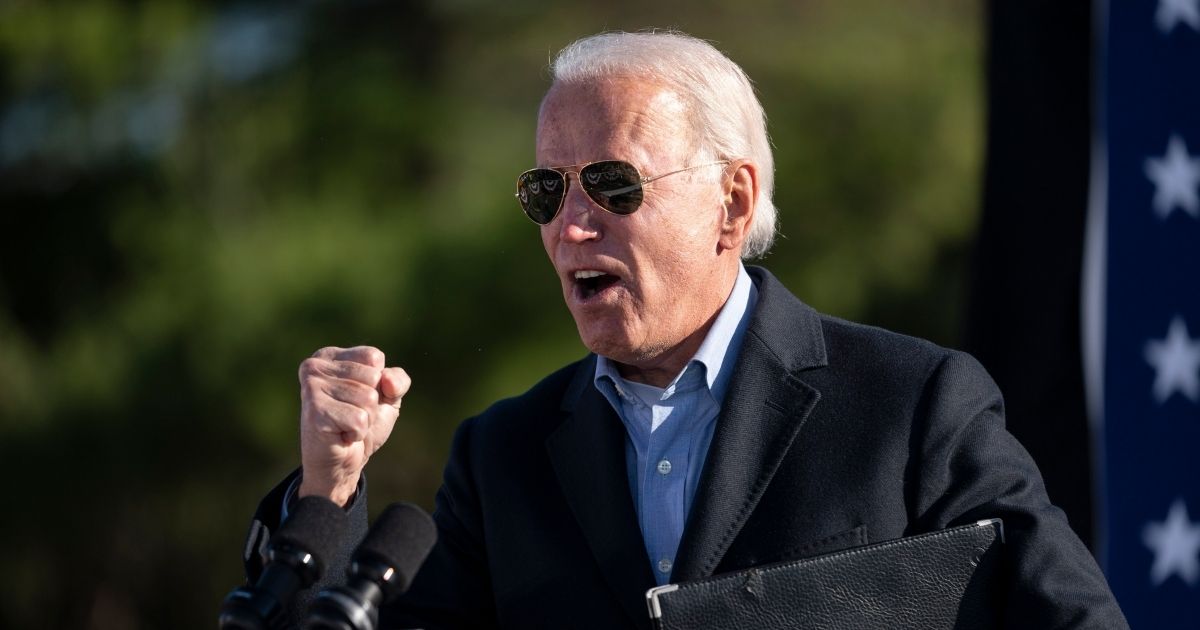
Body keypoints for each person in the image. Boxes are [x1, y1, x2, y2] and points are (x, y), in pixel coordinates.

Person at [243, 31, 1128, 629]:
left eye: (613, 186)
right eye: (547, 193)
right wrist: (330, 489)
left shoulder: (915, 404)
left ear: (731, 202)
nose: (569, 228)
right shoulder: (501, 457)